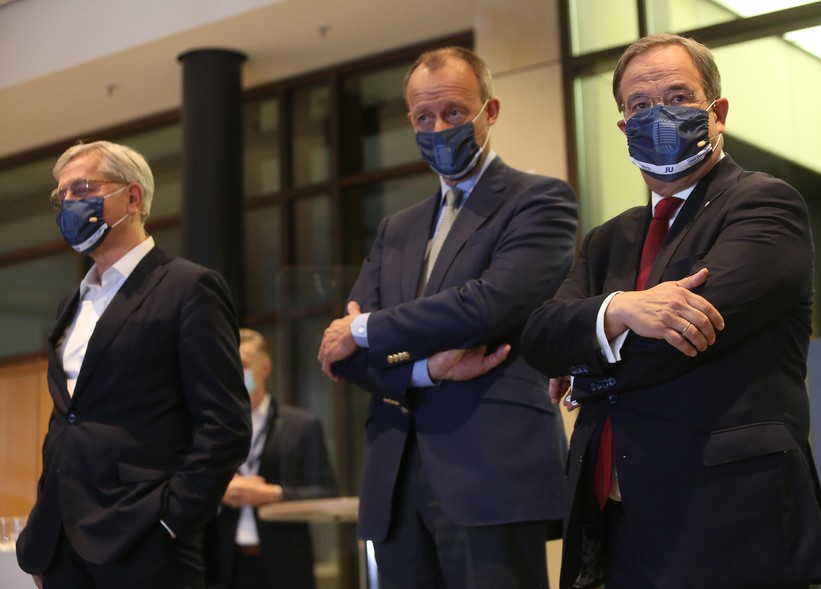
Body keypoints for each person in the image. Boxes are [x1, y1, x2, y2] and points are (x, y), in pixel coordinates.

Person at [521, 33, 821, 589]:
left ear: (717, 113)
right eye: (640, 106)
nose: (658, 115)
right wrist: (623, 309)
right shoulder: (606, 240)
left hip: (728, 520)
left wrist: (587, 358)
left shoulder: (763, 205)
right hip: (617, 521)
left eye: (678, 96)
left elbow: (686, 336)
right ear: (623, 126)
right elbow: (539, 338)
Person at [317, 47, 578, 588]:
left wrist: (365, 328)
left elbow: (488, 304)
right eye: (423, 118)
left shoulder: (539, 201)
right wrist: (425, 370)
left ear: (491, 110)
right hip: (395, 478)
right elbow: (344, 361)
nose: (438, 128)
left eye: (454, 113)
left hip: (491, 473)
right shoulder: (396, 229)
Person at [15, 140, 252, 589]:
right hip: (62, 546)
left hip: (144, 542)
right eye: (62, 195)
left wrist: (172, 522)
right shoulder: (73, 301)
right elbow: (67, 421)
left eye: (82, 188)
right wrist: (46, 533)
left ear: (133, 197)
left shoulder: (187, 287)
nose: (69, 203)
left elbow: (226, 424)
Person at [208, 328, 337, 589]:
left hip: (283, 565)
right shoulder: (211, 427)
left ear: (265, 367)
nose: (235, 372)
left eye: (243, 364)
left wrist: (273, 494)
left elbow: (325, 491)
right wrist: (218, 491)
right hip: (223, 564)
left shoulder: (300, 425)